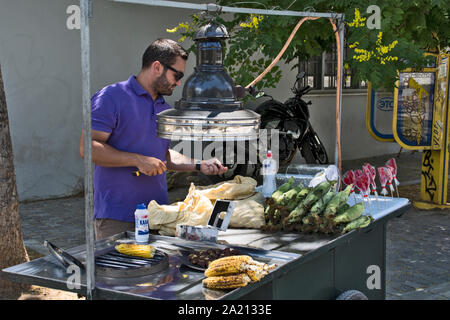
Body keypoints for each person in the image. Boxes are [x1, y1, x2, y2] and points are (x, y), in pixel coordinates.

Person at [79, 39, 228, 240]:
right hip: (117, 217)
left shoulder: (165, 109)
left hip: (159, 215)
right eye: (177, 75)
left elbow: (163, 155)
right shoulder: (111, 97)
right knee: (120, 271)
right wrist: (137, 160)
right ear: (157, 67)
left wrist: (200, 164)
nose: (179, 82)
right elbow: (88, 148)